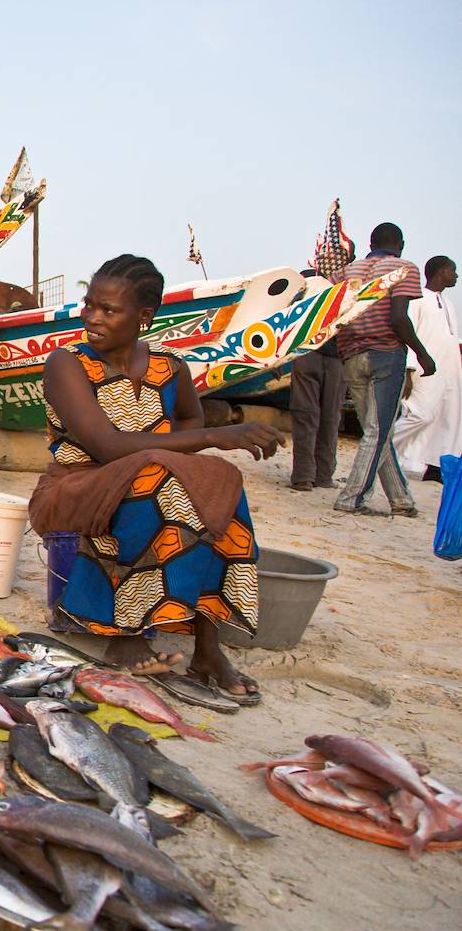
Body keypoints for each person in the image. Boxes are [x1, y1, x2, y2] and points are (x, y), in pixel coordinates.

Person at [30, 254, 281, 700]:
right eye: (90, 304)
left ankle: (208, 646)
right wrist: (219, 435)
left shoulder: (170, 366)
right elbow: (106, 447)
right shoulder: (67, 364)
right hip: (77, 484)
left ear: (144, 316)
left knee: (219, 478)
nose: (92, 316)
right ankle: (124, 633)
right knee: (159, 479)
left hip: (147, 477)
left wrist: (198, 450)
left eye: (108, 310)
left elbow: (187, 420)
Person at [330, 223, 434, 516]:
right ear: (400, 243)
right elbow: (399, 318)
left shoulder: (347, 271)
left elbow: (329, 308)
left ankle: (401, 500)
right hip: (385, 353)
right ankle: (352, 498)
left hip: (351, 353)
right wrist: (422, 354)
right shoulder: (404, 268)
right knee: (378, 430)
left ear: (371, 242)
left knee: (376, 432)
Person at [391, 255, 461, 482]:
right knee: (420, 414)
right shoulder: (418, 299)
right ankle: (383, 448)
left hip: (450, 371)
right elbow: (410, 335)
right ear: (440, 272)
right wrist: (410, 370)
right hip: (425, 370)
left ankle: (434, 467)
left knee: (448, 419)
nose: (456, 275)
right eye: (453, 271)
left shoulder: (449, 304)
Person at [287, 266, 349, 492]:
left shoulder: (301, 293)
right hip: (336, 360)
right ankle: (323, 475)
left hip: (307, 356)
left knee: (305, 414)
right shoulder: (337, 290)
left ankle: (303, 476)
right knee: (331, 417)